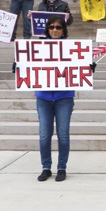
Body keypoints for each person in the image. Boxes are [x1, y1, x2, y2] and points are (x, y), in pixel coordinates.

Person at [34, 16, 75, 182]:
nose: (55, 30)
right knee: (44, 135)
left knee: (63, 134)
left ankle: (61, 168)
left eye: (58, 27)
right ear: (47, 30)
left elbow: (78, 68)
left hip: (64, 96)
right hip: (43, 97)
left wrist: (88, 67)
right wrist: (19, 66)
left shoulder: (71, 48)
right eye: (51, 27)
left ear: (64, 30)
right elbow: (30, 66)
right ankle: (46, 167)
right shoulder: (37, 48)